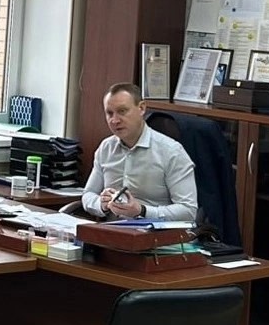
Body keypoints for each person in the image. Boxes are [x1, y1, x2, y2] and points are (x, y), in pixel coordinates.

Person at [81, 82, 198, 222]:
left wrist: (142, 211)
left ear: (141, 108)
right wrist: (101, 204)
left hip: (154, 233)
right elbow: (88, 194)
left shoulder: (171, 152)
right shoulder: (106, 148)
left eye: (122, 111)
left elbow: (188, 211)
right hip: (111, 231)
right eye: (109, 113)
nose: (115, 120)